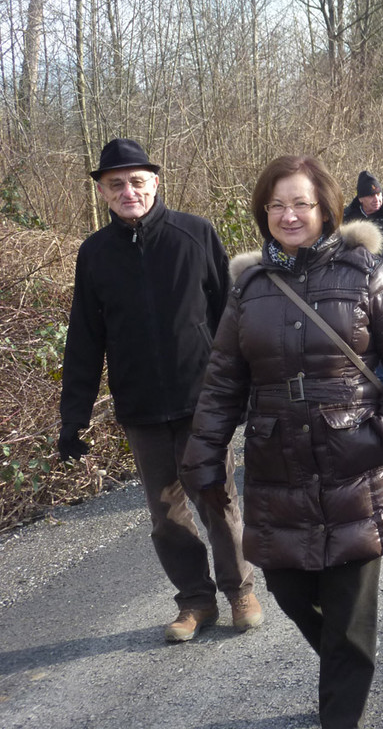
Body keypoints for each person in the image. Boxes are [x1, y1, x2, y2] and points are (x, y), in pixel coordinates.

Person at [181, 155, 383, 729]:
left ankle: (341, 701)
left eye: (301, 203)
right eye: (277, 204)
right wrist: (203, 456)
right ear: (263, 212)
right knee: (291, 591)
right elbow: (223, 382)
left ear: (325, 208)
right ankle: (346, 661)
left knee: (348, 613)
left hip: (355, 464)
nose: (288, 215)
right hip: (278, 467)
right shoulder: (249, 287)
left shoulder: (366, 270)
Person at [57, 138, 261, 643]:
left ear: (154, 182)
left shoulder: (195, 234)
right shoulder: (94, 254)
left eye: (136, 181)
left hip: (201, 399)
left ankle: (240, 591)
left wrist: (246, 390)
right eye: (116, 184)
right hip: (141, 406)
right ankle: (195, 600)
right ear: (102, 192)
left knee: (215, 498)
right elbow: (85, 338)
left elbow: (231, 318)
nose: (128, 191)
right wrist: (73, 417)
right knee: (166, 514)